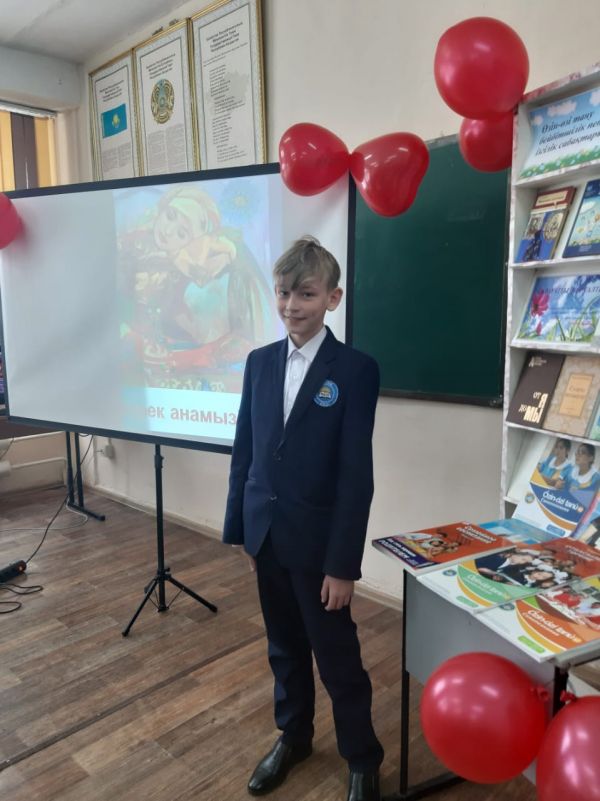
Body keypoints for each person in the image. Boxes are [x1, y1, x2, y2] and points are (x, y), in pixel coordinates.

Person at [222, 236, 383, 801]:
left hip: (319, 549)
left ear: (332, 298)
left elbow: (355, 477)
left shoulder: (356, 371)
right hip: (267, 536)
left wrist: (343, 565)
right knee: (284, 648)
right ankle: (293, 735)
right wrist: (241, 531)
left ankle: (362, 756)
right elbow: (245, 451)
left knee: (337, 657)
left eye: (307, 294)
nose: (292, 305)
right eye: (284, 293)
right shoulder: (259, 363)